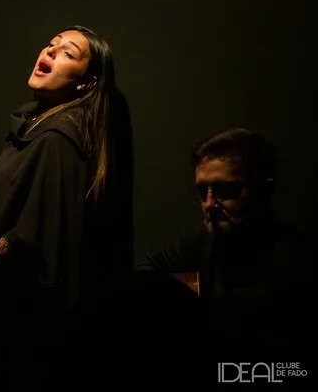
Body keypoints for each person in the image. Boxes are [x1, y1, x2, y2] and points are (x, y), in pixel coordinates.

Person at [0, 25, 133, 391]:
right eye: (51, 44)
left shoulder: (58, 139)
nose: (50, 51)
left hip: (35, 323)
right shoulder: (35, 124)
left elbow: (31, 237)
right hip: (11, 305)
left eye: (68, 52)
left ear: (87, 82)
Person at [133, 127, 318, 386]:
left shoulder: (294, 265)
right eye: (203, 192)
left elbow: (292, 370)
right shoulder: (205, 240)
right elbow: (145, 270)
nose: (209, 204)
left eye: (226, 190)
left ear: (263, 190)